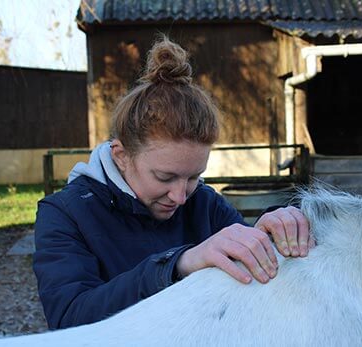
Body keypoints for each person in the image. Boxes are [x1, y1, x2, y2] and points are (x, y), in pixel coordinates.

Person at [33, 35, 314, 330]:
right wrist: (177, 266)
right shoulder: (64, 213)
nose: (181, 196)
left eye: (194, 176)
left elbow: (255, 269)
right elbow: (69, 318)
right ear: (121, 155)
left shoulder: (204, 204)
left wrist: (272, 229)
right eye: (165, 177)